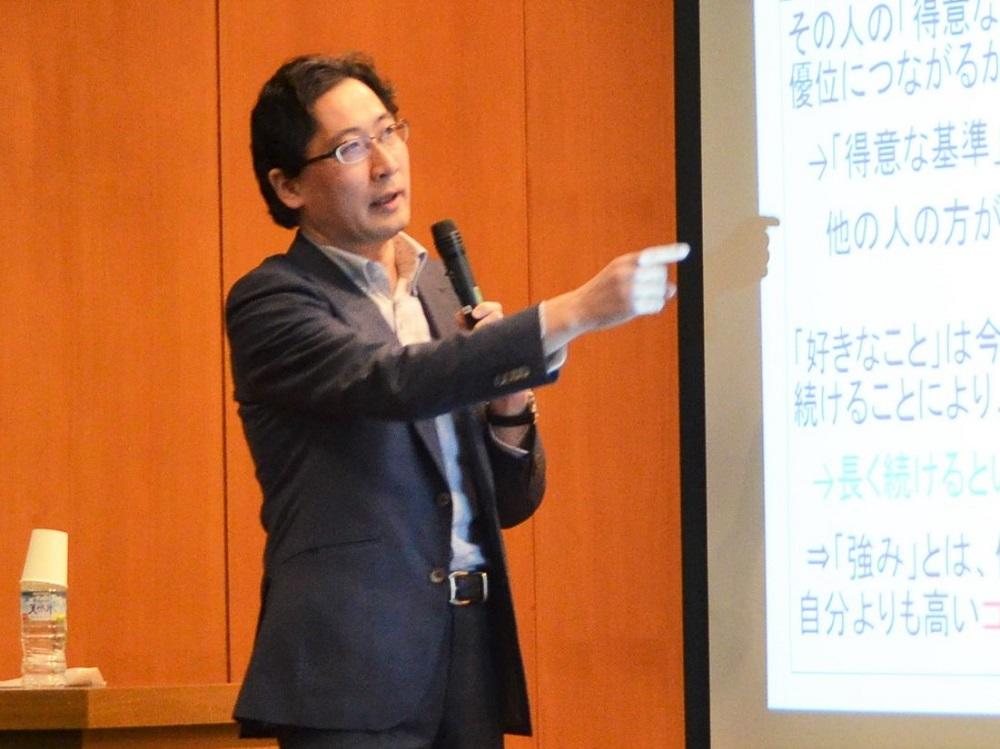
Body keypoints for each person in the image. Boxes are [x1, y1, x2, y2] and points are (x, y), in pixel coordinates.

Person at [228, 52, 688, 749]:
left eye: (389, 131)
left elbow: (509, 501)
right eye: (351, 148)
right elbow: (391, 382)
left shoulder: (437, 288)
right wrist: (569, 313)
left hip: (468, 647)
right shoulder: (273, 300)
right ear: (288, 184)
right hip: (351, 669)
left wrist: (509, 402)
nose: (385, 162)